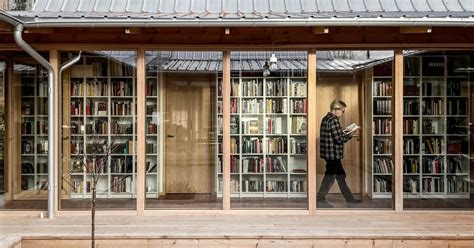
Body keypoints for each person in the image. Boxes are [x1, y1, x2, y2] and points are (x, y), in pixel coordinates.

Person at [317, 99, 362, 205]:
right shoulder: (334, 120)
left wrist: (346, 133)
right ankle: (320, 199)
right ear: (336, 109)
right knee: (332, 177)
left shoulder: (326, 118)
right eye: (342, 111)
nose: (342, 113)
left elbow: (333, 135)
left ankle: (349, 200)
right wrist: (350, 134)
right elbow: (339, 139)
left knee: (340, 177)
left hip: (328, 154)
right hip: (333, 155)